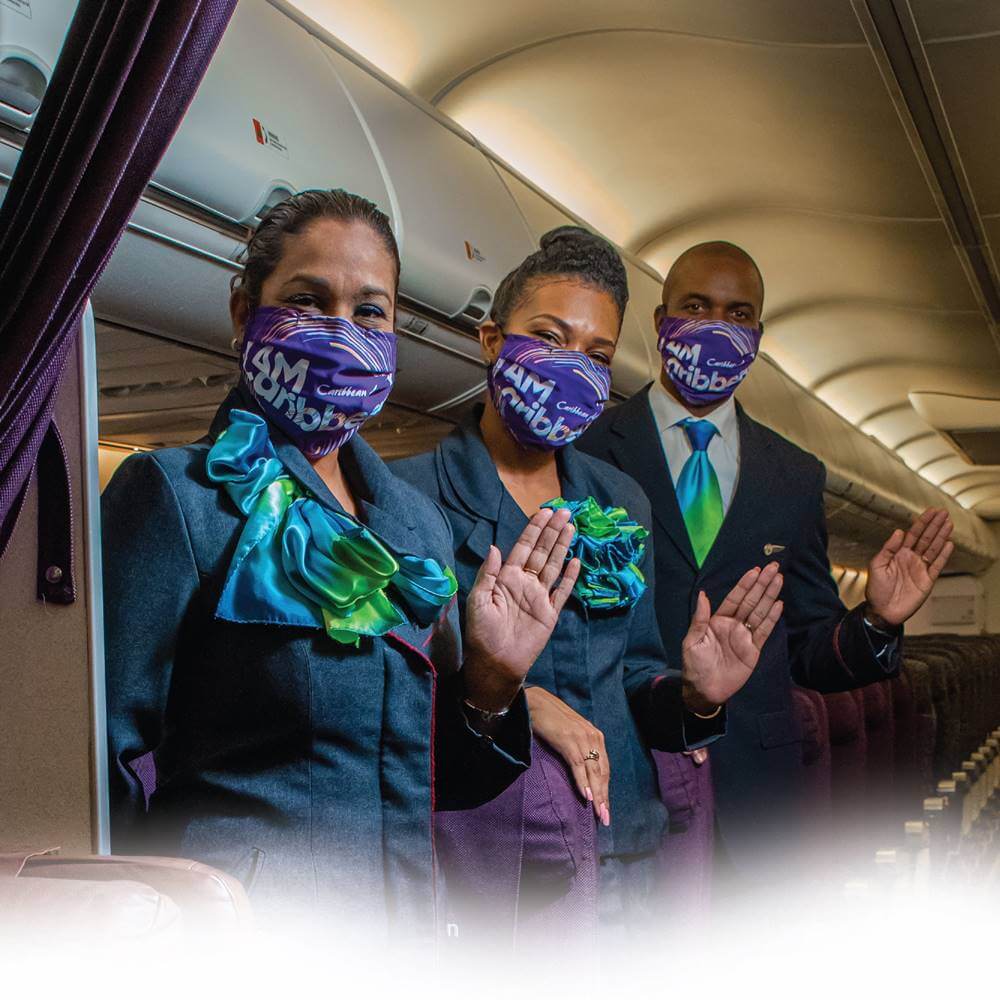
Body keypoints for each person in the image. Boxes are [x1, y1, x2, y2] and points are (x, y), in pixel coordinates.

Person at [102, 189, 583, 941]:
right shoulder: (177, 498)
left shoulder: (416, 524)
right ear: (242, 313)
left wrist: (493, 677)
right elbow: (104, 762)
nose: (340, 330)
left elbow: (434, 779)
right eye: (307, 299)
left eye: (370, 310)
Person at [393, 227, 785, 939]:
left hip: (626, 838)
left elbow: (635, 671)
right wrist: (515, 693)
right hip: (498, 856)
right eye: (549, 336)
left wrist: (695, 697)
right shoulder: (408, 500)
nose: (571, 367)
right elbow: (393, 696)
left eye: (596, 356)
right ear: (490, 342)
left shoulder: (619, 502)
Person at [578, 240, 955, 880]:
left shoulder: (793, 474)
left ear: (758, 334)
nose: (717, 326)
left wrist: (879, 622)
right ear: (661, 318)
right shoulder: (588, 449)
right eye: (696, 306)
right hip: (624, 769)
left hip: (755, 792)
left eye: (737, 313)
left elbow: (807, 642)